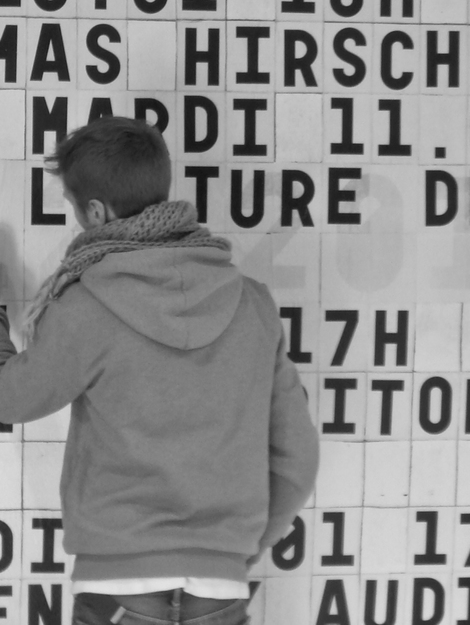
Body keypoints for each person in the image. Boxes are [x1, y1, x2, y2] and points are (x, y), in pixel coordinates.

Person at [0, 116, 320, 625]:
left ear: (96, 211)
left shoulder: (88, 306)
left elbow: (10, 399)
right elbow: (298, 457)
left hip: (116, 580)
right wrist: (230, 548)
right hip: (220, 584)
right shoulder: (253, 304)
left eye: (72, 205)